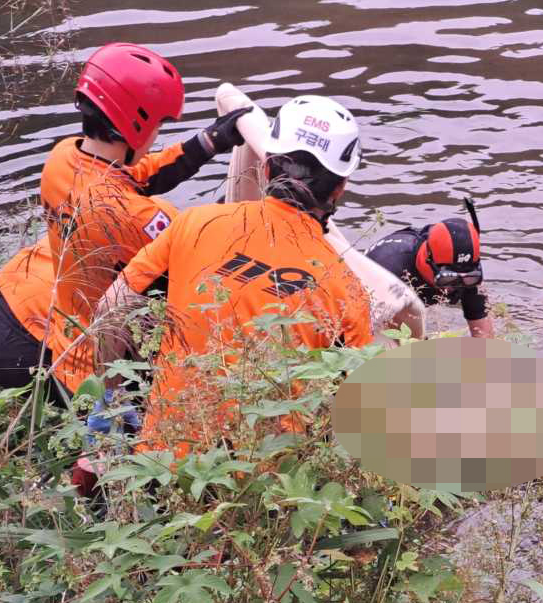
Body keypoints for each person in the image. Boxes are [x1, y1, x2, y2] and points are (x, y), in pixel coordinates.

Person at [93, 94, 374, 458]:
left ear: (267, 167)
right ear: (340, 187)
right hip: (267, 483)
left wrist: (112, 401)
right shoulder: (346, 287)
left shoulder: (196, 222)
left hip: (163, 462)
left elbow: (110, 308)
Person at [0, 42, 250, 399]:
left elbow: (135, 175)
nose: (157, 134)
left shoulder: (63, 156)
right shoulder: (136, 217)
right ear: (138, 125)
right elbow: (209, 270)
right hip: (27, 346)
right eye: (159, 124)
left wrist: (205, 143)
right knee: (162, 389)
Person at [367, 204, 494, 338]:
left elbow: (484, 336)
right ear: (427, 260)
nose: (453, 288)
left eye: (469, 279)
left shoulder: (467, 273)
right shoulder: (390, 270)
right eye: (448, 279)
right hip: (379, 287)